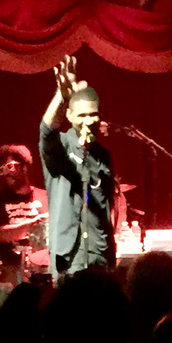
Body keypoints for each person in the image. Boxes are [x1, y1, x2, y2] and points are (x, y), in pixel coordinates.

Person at [40, 54, 115, 277]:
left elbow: (104, 203)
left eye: (93, 114)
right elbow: (46, 131)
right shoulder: (61, 146)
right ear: (70, 116)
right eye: (82, 115)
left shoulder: (103, 156)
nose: (88, 120)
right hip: (68, 257)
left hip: (99, 254)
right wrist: (61, 98)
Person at [0, 144, 48, 265]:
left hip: (42, 266)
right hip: (10, 266)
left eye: (10, 166)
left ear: (24, 166)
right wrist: (33, 223)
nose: (7, 173)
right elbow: (1, 234)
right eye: (1, 170)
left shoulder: (45, 196)